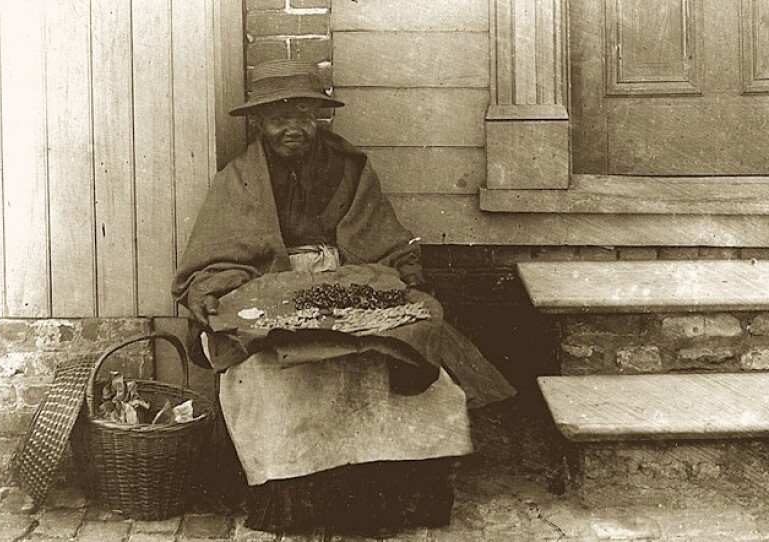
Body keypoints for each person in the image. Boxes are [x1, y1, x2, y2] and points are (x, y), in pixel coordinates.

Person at [171, 59, 514, 536]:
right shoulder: (238, 180)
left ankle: (388, 495)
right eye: (279, 118)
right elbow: (213, 257)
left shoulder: (350, 167)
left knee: (399, 348)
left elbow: (383, 236)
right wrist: (221, 295)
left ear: (319, 119)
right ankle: (297, 501)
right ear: (259, 124)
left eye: (305, 116)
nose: (294, 128)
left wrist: (404, 276)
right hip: (273, 282)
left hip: (349, 276)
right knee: (271, 371)